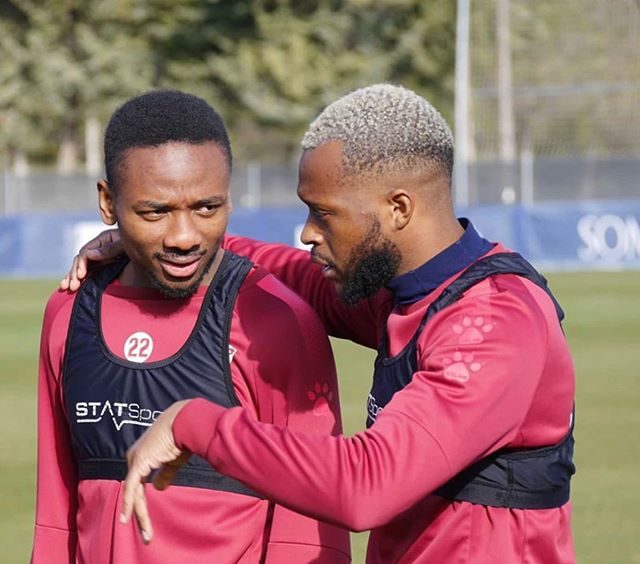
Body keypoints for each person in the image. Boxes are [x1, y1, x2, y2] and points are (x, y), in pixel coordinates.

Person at [66, 84, 576, 563]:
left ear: (397, 208)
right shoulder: (403, 294)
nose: (308, 232)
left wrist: (195, 423)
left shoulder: (494, 323)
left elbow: (366, 488)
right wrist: (155, 242)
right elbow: (287, 272)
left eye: (324, 213)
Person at [32, 90, 350, 563]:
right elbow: (56, 515)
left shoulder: (277, 322)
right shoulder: (69, 311)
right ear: (108, 203)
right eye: (155, 212)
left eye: (206, 208)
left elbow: (306, 535)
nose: (183, 237)